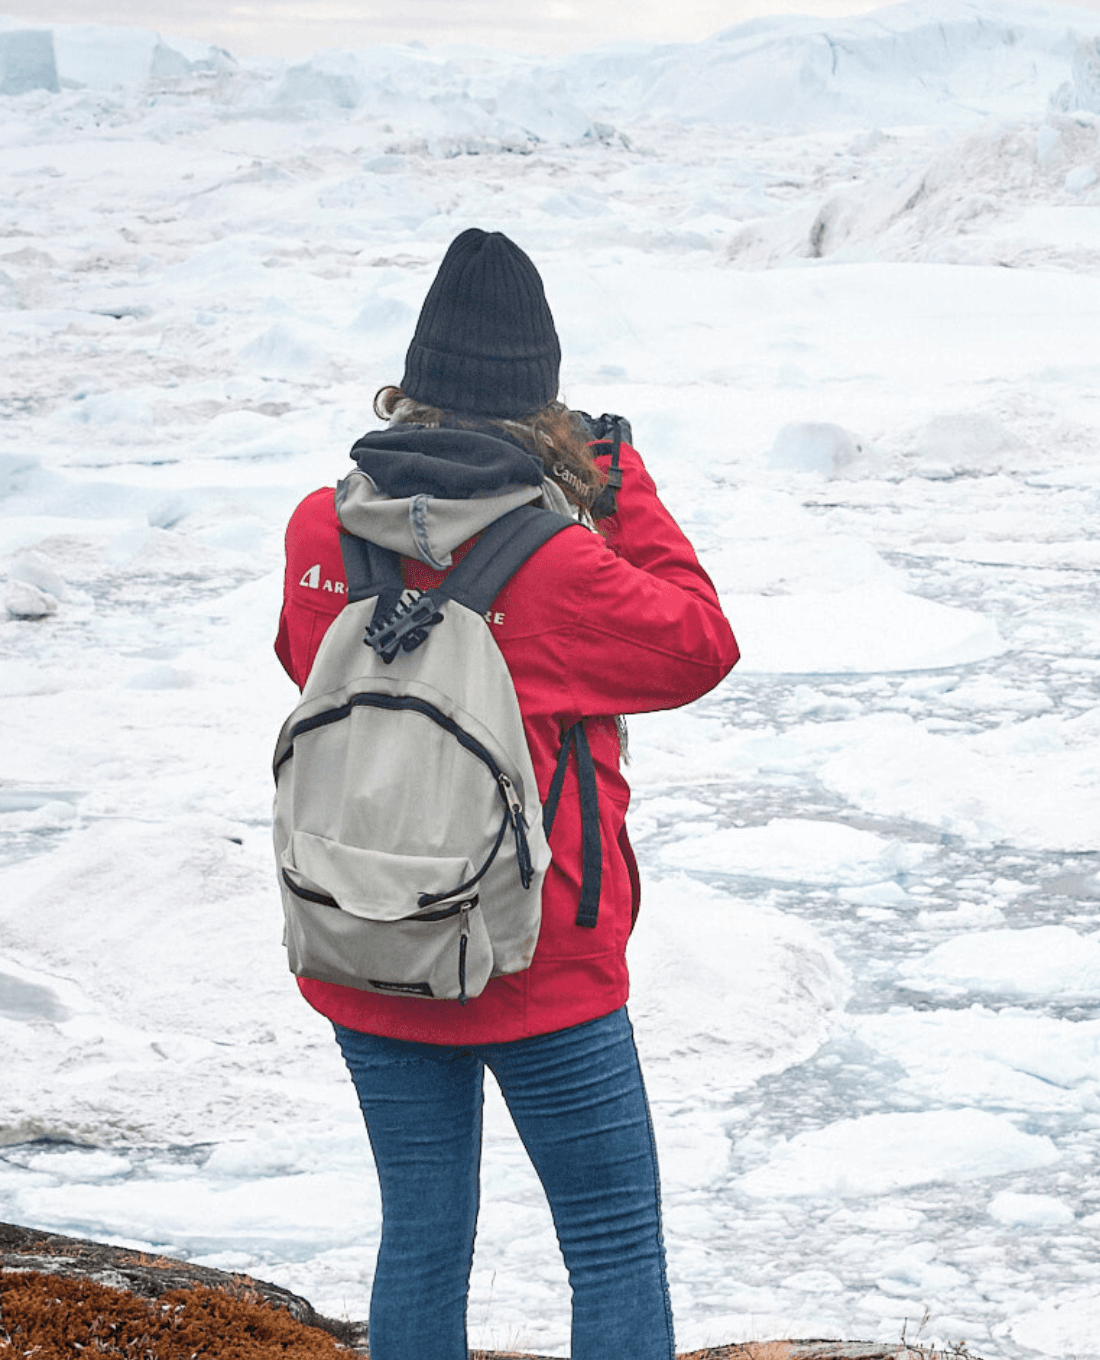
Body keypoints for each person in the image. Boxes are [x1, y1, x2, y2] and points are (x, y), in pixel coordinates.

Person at [272, 227, 739, 1360]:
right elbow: (697, 643)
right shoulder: (561, 561)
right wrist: (622, 494)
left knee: (422, 1239)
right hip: (545, 954)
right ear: (542, 397)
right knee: (613, 1239)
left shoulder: (320, 527)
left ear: (416, 383)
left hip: (369, 929)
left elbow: (309, 665)